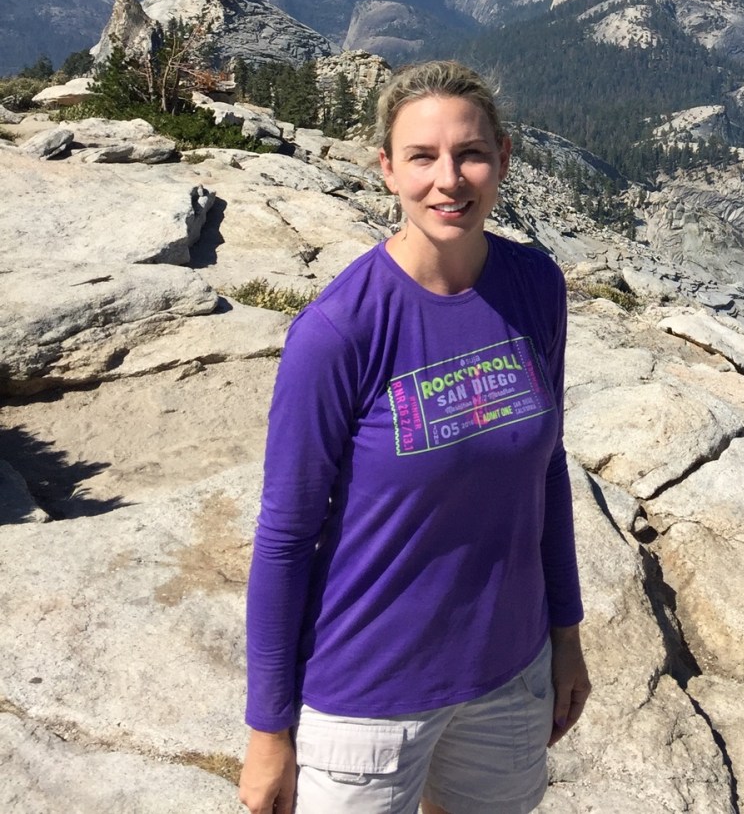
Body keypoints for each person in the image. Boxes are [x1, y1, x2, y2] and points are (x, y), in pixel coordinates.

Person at [238, 59, 590, 814]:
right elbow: (285, 537)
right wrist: (268, 729)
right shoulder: (339, 332)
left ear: (503, 158)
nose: (448, 180)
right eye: (422, 157)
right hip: (368, 696)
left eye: (470, 154)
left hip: (509, 675)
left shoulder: (536, 288)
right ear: (388, 169)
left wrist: (566, 634)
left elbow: (548, 472)